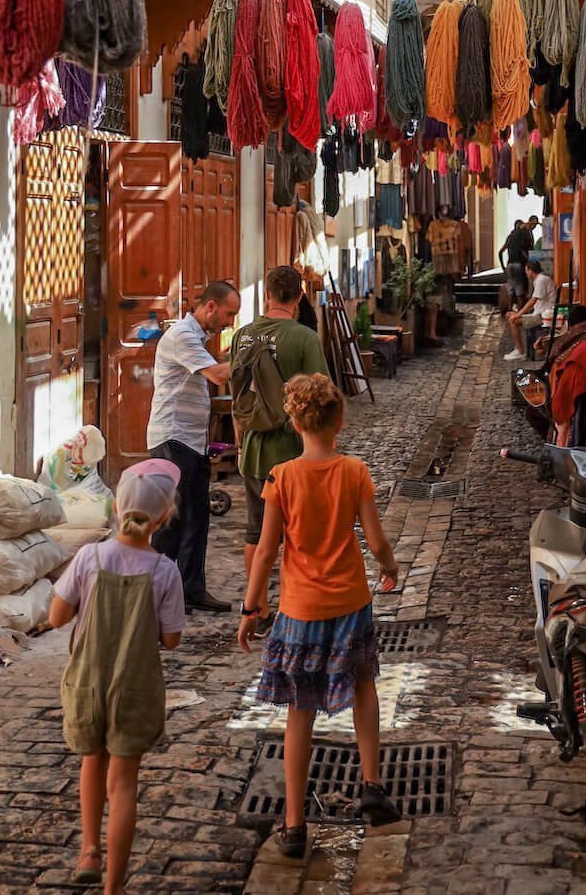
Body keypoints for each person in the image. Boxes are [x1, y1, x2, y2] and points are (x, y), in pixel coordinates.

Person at [238, 374, 401, 857]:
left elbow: (266, 550)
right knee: (364, 686)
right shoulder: (355, 471)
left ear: (294, 423)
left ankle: (294, 825)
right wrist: (389, 568)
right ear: (339, 421)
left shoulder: (281, 478)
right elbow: (375, 540)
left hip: (299, 609)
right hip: (350, 602)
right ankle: (372, 785)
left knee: (300, 710)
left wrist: (251, 606)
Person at [50, 459, 186, 893]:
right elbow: (171, 640)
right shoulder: (165, 570)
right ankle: (114, 887)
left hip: (88, 683)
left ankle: (90, 849)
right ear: (164, 517)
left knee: (92, 761)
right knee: (124, 783)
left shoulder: (90, 557)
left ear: (115, 507)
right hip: (136, 687)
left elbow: (56, 618)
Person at [230, 266, 330, 630]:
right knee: (300, 536)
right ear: (299, 297)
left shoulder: (241, 336)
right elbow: (321, 400)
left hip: (253, 450)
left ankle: (259, 609)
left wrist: (240, 444)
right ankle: (297, 607)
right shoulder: (304, 338)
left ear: (267, 294)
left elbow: (237, 399)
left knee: (256, 532)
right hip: (293, 452)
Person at [147, 280, 241, 613]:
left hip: (191, 439)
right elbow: (218, 375)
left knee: (196, 517)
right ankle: (152, 591)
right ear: (210, 306)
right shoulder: (182, 336)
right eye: (229, 314)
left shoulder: (197, 338)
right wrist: (252, 352)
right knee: (172, 520)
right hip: (174, 439)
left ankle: (190, 589)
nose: (230, 322)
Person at [504, 260, 556, 361]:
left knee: (513, 321)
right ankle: (518, 348)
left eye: (527, 271)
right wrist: (517, 313)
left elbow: (533, 300)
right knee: (509, 315)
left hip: (543, 316)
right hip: (539, 313)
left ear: (531, 270)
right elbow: (535, 303)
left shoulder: (541, 280)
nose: (526, 273)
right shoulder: (539, 280)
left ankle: (520, 351)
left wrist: (518, 314)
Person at [498, 219, 529, 306]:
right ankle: (520, 310)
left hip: (510, 265)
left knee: (511, 291)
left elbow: (500, 252)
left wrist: (503, 267)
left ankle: (510, 310)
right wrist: (529, 261)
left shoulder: (510, 237)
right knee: (520, 291)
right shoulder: (521, 237)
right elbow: (523, 252)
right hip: (518, 264)